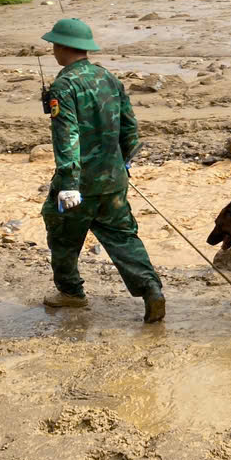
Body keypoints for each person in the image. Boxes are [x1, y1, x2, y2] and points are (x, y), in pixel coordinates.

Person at [39, 17, 166, 323]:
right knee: (123, 237)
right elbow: (130, 128)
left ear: (62, 47)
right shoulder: (109, 78)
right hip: (113, 181)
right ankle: (151, 290)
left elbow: (66, 137)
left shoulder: (64, 85)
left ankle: (71, 293)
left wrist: (68, 182)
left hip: (79, 184)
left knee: (62, 232)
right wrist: (123, 163)